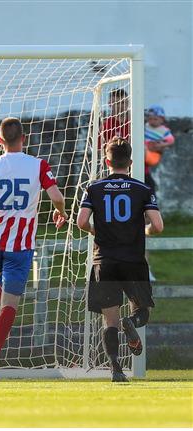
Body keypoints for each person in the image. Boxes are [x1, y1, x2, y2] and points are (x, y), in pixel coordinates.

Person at [0, 117, 67, 386]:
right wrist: (60, 212)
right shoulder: (38, 165)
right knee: (10, 303)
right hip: (21, 245)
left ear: (1, 141)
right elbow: (56, 196)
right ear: (24, 138)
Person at [77, 137, 164, 383]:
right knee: (142, 311)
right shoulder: (142, 189)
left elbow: (82, 222)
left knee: (109, 319)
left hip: (104, 261)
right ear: (131, 162)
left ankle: (116, 369)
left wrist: (97, 231)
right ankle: (132, 320)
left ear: (107, 161)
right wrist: (144, 230)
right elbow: (157, 225)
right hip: (133, 260)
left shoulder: (94, 188)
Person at [143, 104, 174, 281]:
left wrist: (157, 146)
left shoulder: (162, 131)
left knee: (146, 220)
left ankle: (145, 266)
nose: (152, 121)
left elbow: (167, 143)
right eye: (150, 118)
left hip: (145, 176)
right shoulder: (142, 129)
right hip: (132, 176)